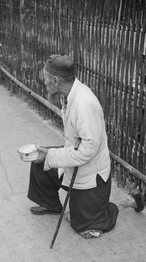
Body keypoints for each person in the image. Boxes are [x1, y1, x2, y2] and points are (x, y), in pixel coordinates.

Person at [27, 54, 145, 239]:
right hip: (74, 160)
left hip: (91, 173)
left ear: (56, 80)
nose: (44, 81)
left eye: (46, 78)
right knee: (38, 160)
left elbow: (87, 152)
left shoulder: (85, 104)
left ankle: (129, 200)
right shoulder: (68, 94)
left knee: (85, 228)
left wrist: (51, 156)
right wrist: (49, 155)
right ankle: (51, 204)